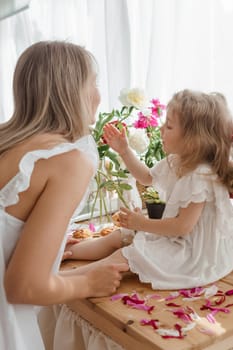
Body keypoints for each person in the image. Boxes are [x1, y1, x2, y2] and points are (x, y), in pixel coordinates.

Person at [0, 41, 129, 350]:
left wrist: (50, 249)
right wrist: (88, 283)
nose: (98, 94)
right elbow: (24, 287)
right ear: (73, 90)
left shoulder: (7, 140)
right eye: (94, 82)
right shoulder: (68, 158)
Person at [66, 89, 233, 291]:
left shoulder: (200, 176)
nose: (162, 130)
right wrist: (125, 151)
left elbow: (182, 227)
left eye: (169, 126)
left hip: (193, 253)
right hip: (174, 236)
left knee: (127, 254)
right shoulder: (176, 161)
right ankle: (66, 253)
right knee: (119, 236)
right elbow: (146, 177)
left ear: (193, 139)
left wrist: (142, 223)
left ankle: (61, 279)